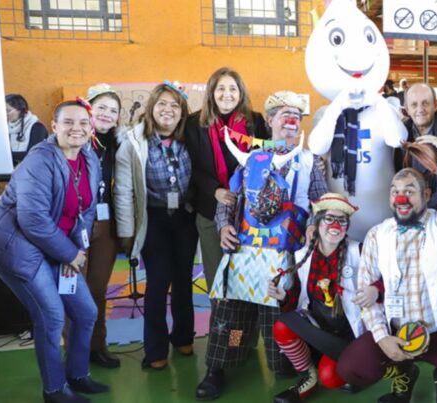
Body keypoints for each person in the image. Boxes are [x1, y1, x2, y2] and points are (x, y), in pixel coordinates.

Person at [337, 135, 437, 403]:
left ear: (426, 195)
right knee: (350, 368)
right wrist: (381, 338)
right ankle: (403, 370)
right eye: (395, 190)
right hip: (396, 331)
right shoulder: (377, 235)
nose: (401, 197)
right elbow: (366, 296)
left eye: (410, 190)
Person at [195, 91, 329, 401]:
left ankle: (285, 364)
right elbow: (228, 200)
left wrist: (315, 224)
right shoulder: (250, 159)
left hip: (284, 258)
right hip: (243, 255)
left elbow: (322, 204)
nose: (290, 119)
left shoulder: (309, 162)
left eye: (296, 114)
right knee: (232, 318)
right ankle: (220, 366)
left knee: (277, 324)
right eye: (283, 113)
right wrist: (224, 225)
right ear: (269, 121)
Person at [0, 99, 108, 403]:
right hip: (20, 247)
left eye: (83, 123)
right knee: (52, 316)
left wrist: (77, 249)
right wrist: (70, 255)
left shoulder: (89, 158)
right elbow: (32, 220)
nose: (77, 128)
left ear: (90, 128)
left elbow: (86, 210)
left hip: (59, 246)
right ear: (54, 126)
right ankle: (55, 390)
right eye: (68, 122)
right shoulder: (39, 160)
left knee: (86, 312)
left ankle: (78, 374)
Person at [114, 81, 198, 370]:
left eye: (175, 105)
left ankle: (184, 337)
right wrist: (126, 234)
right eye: (162, 103)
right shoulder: (133, 143)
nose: (168, 110)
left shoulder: (190, 138)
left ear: (182, 113)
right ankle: (155, 350)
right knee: (159, 282)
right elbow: (123, 192)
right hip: (154, 219)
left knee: (184, 280)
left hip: (185, 216)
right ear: (151, 108)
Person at [268, 193, 367, 402]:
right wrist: (283, 296)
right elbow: (300, 298)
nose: (335, 225)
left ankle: (354, 366)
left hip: (348, 333)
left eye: (341, 220)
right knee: (281, 326)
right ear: (318, 222)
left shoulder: (359, 252)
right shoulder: (303, 254)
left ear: (347, 227)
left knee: (330, 378)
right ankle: (308, 376)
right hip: (317, 328)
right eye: (329, 218)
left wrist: (372, 293)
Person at [185, 67, 268, 292]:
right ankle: (220, 328)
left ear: (241, 93)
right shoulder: (194, 124)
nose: (227, 94)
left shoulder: (256, 123)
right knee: (217, 279)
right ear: (212, 92)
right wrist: (215, 191)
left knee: (247, 278)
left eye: (233, 88)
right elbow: (190, 166)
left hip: (248, 212)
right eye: (220, 88)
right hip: (210, 208)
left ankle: (240, 330)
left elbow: (270, 157)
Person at [83, 83, 124, 368]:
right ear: (89, 109)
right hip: (75, 225)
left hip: (106, 223)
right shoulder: (75, 138)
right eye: (101, 108)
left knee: (97, 289)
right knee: (72, 289)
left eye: (113, 110)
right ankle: (74, 348)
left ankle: (97, 346)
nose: (107, 115)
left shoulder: (118, 145)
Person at [5, 93, 49, 165]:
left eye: (8, 111)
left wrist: (5, 155)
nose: (5, 114)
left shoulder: (37, 127)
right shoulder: (5, 128)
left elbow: (34, 154)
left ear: (21, 110)